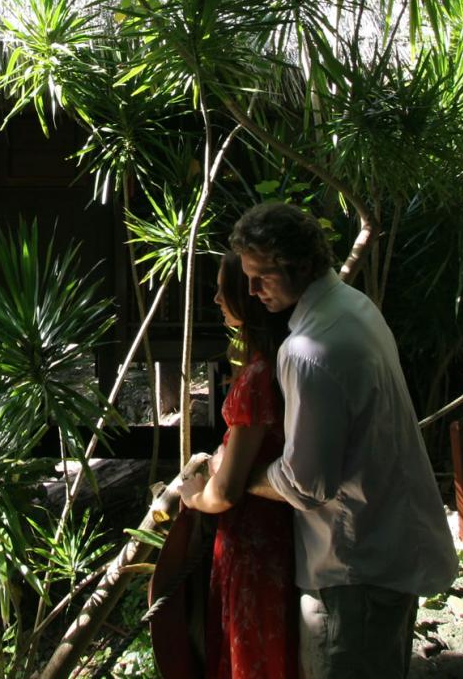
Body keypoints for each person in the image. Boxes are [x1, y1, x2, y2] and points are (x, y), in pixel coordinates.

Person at [231, 201, 458, 679]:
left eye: (262, 276)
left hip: (355, 564)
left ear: (301, 265)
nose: (251, 290)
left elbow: (306, 484)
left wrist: (241, 478)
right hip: (390, 541)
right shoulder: (354, 306)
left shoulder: (307, 349)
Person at [184, 253, 298, 679]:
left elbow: (228, 491)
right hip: (279, 535)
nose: (216, 299)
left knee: (252, 651)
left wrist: (194, 496)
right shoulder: (276, 364)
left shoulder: (256, 377)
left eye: (222, 290)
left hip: (253, 541)